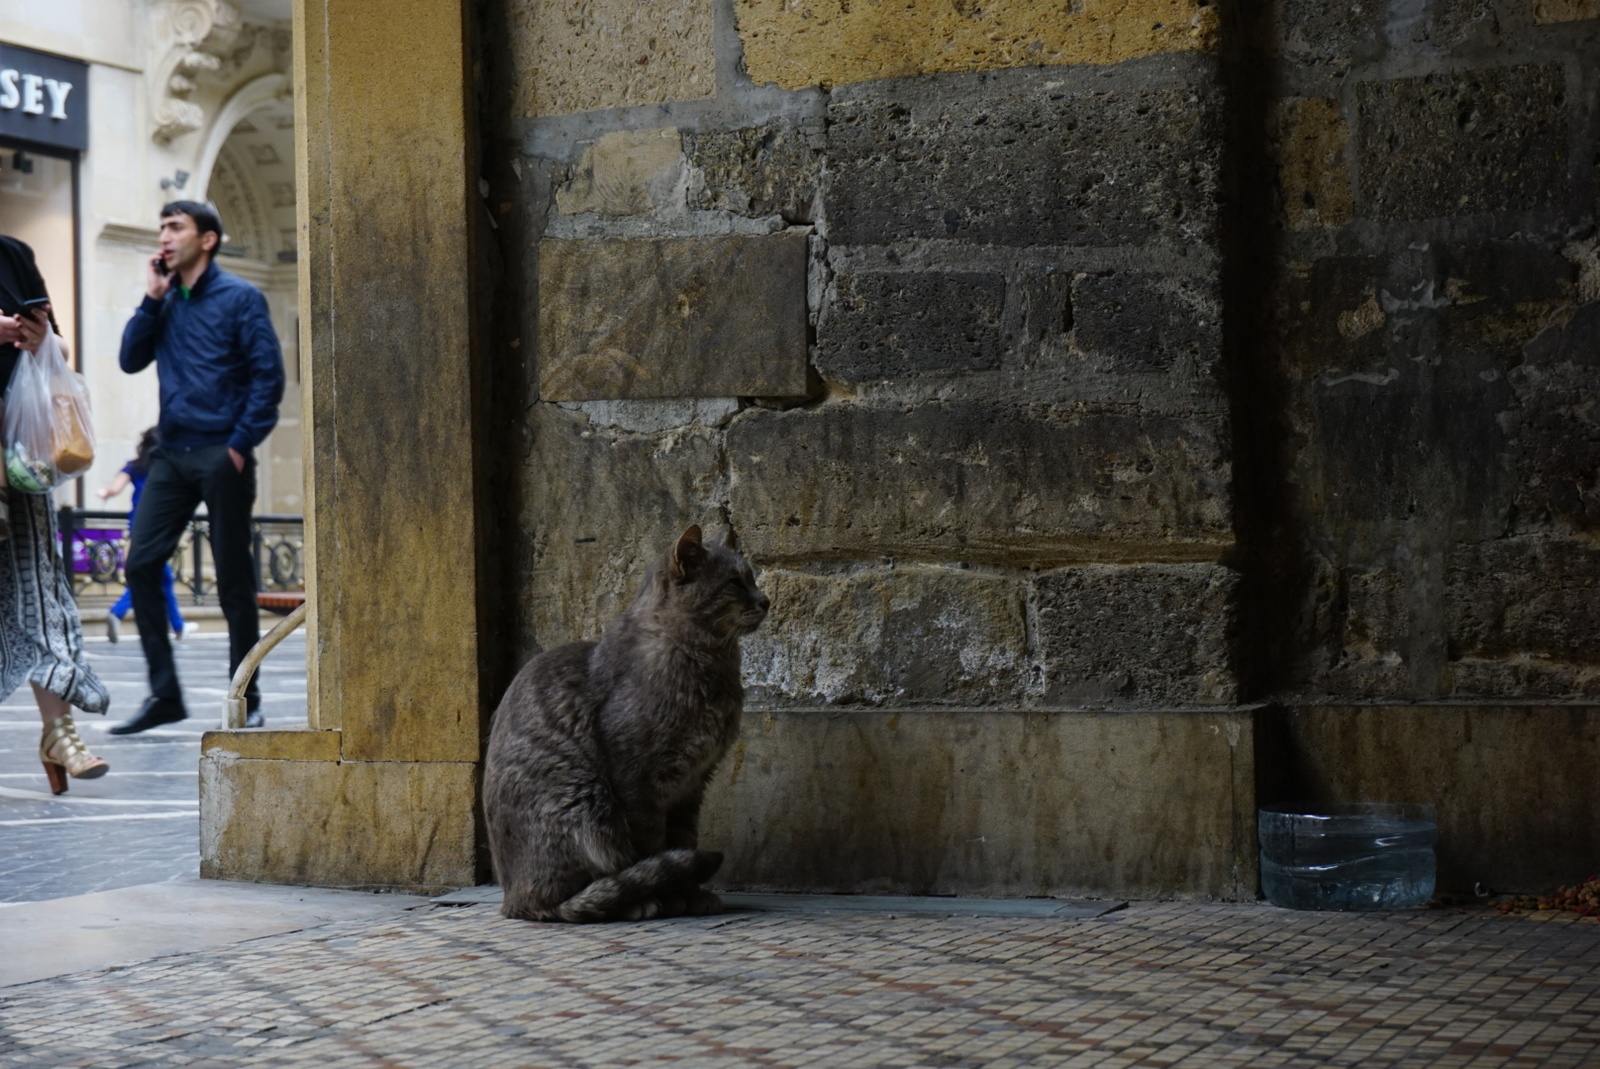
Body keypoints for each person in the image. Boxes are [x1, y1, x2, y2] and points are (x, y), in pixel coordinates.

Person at [111, 201, 284, 735]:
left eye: (175, 227)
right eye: (161, 226)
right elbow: (129, 359)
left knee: (234, 580)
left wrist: (238, 444)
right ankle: (165, 694)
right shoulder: (164, 300)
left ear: (206, 239)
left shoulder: (240, 297)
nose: (164, 236)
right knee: (140, 563)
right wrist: (150, 298)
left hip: (221, 453)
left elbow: (268, 377)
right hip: (171, 453)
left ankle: (246, 694)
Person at [0, 235, 112, 792]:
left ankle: (60, 734)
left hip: (17, 458)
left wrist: (41, 340)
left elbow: (59, 357)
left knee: (42, 593)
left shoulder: (13, 255)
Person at [97, 427, 188, 644]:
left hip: (138, 526)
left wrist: (104, 493)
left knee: (162, 578)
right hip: (160, 527)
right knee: (149, 575)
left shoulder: (134, 467)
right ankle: (118, 611)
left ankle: (178, 626)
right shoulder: (166, 467)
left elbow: (115, 488)